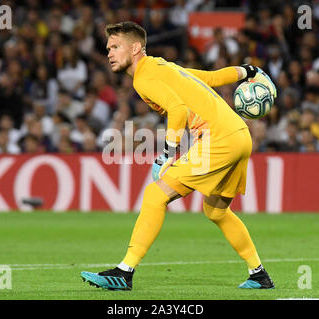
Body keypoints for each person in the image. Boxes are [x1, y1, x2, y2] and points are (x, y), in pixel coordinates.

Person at [81, 21, 277, 291]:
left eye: (115, 47)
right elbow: (210, 78)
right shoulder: (164, 66)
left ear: (136, 48)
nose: (109, 53)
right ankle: (259, 274)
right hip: (240, 135)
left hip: (218, 137)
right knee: (217, 210)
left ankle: (124, 272)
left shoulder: (144, 77)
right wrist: (248, 70)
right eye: (108, 48)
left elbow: (178, 109)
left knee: (154, 195)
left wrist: (166, 155)